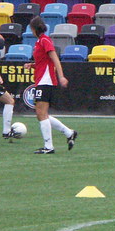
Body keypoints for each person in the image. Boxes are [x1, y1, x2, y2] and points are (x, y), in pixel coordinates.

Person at [25, 16, 77, 154]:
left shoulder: (44, 40)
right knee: (42, 113)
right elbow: (45, 61)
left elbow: (54, 58)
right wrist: (33, 65)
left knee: (41, 113)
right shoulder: (39, 41)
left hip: (46, 80)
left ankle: (49, 146)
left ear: (34, 28)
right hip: (42, 78)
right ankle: (69, 132)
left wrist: (61, 76)